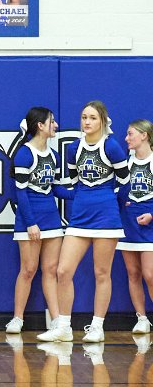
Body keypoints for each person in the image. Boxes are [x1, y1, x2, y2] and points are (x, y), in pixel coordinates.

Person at [39, 101, 128, 344]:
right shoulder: (74, 148)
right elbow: (75, 184)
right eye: (84, 117)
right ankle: (63, 327)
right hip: (79, 218)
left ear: (103, 121)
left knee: (102, 272)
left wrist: (113, 206)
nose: (87, 122)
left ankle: (97, 327)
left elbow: (125, 182)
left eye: (92, 118)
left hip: (106, 217)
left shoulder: (111, 146)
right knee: (63, 270)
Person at [6, 107, 69, 335]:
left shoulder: (54, 156)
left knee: (51, 270)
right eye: (52, 121)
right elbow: (20, 193)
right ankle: (17, 318)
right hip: (29, 220)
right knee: (28, 270)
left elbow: (56, 189)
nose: (56, 125)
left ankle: (56, 320)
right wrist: (31, 223)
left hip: (51, 219)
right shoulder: (25, 154)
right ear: (40, 125)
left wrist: (82, 194)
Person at [118, 119, 153, 335]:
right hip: (128, 223)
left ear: (144, 135)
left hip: (150, 225)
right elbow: (118, 191)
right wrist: (123, 201)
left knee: (150, 274)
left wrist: (152, 214)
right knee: (133, 273)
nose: (126, 138)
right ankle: (142, 319)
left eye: (130, 134)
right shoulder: (126, 162)